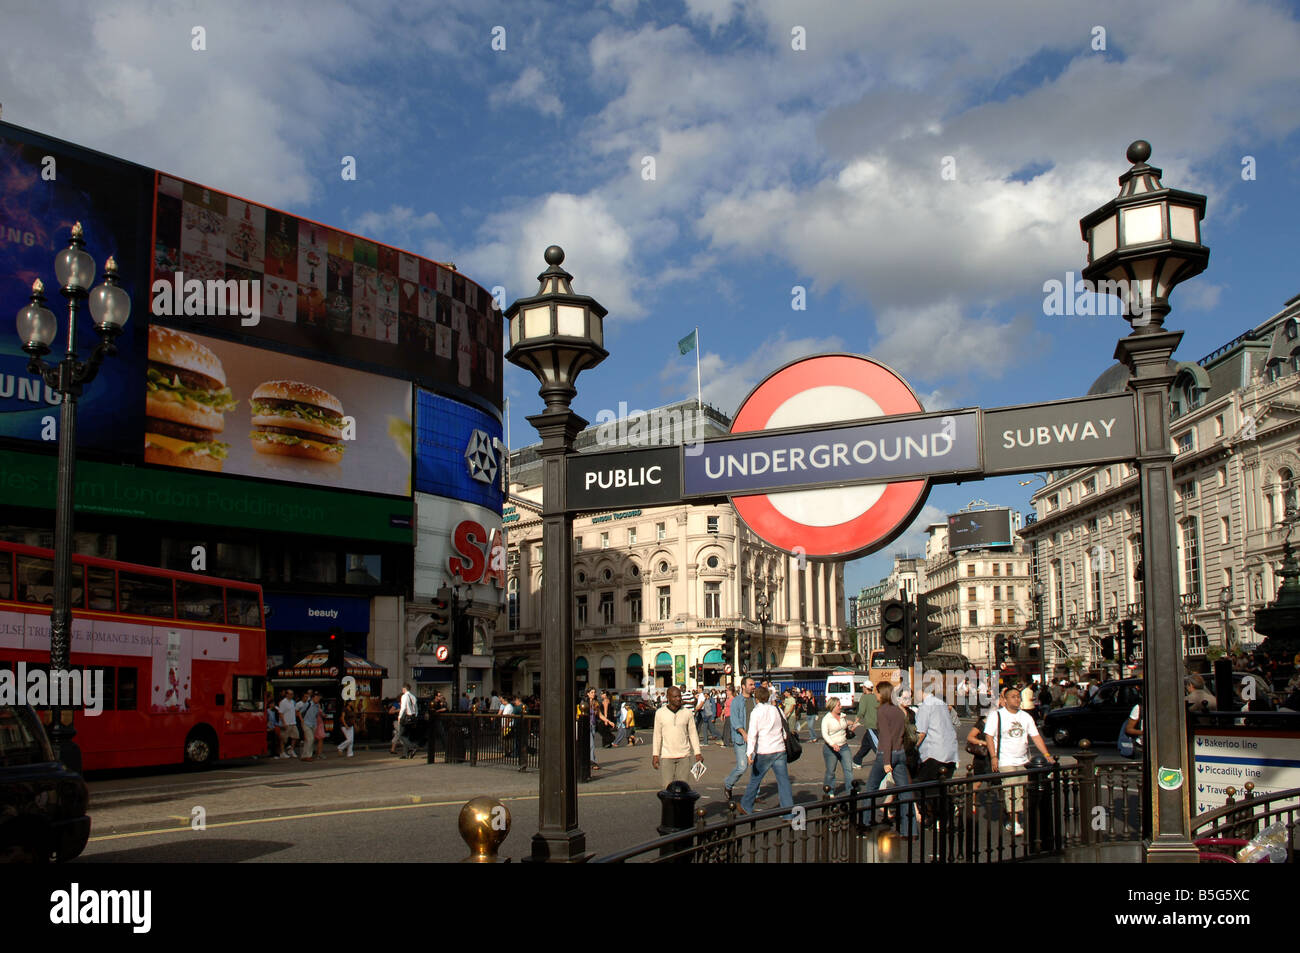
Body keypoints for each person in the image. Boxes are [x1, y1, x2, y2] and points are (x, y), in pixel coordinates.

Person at [986, 687, 1056, 836]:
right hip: (1006, 760)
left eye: (1018, 696)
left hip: (1023, 760)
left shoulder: (1025, 717)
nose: (1017, 699)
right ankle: (1015, 822)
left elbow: (1036, 736)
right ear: (1004, 700)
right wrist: (993, 757)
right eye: (1013, 696)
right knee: (1012, 790)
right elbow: (989, 737)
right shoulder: (996, 716)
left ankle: (1011, 814)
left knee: (1022, 790)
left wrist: (1047, 754)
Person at [862, 682, 913, 833]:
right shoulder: (898, 711)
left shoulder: (882, 711)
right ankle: (909, 829)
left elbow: (885, 737)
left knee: (871, 787)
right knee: (905, 792)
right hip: (900, 752)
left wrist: (886, 761)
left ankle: (866, 823)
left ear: (882, 694)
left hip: (887, 754)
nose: (875, 695)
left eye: (877, 693)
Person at [739, 686, 795, 817]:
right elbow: (784, 728)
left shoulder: (756, 712)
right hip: (779, 749)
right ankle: (787, 813)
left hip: (764, 750)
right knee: (784, 781)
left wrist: (749, 752)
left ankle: (746, 806)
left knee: (755, 780)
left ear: (756, 698)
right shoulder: (777, 709)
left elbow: (753, 734)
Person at [914, 686, 959, 827]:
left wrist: (913, 748)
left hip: (934, 752)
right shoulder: (941, 703)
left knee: (922, 785)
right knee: (941, 786)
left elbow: (921, 732)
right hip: (949, 751)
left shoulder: (926, 706)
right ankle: (944, 815)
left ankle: (937, 815)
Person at [652, 686, 703, 788]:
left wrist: (697, 753)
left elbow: (693, 733)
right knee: (667, 789)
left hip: (684, 756)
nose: (678, 699)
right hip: (667, 756)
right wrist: (655, 755)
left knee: (683, 789)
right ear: (668, 698)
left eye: (679, 696)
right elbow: (657, 735)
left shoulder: (687, 713)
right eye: (675, 697)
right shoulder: (660, 713)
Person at [724, 677, 757, 800]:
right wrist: (743, 733)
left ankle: (755, 793)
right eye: (751, 684)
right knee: (742, 767)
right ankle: (728, 784)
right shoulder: (737, 701)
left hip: (754, 739)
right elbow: (735, 720)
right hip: (741, 739)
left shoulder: (755, 701)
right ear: (743, 686)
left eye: (754, 684)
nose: (753, 686)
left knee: (756, 767)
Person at [820, 697, 855, 794]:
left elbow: (844, 725)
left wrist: (851, 724)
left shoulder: (843, 716)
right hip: (831, 749)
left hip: (844, 747)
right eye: (838, 705)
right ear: (833, 706)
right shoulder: (826, 719)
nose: (841, 706)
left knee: (849, 769)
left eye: (840, 704)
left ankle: (851, 790)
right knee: (831, 771)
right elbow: (825, 734)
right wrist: (832, 744)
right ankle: (829, 791)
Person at [852, 680, 880, 766]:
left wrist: (855, 723)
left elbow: (861, 712)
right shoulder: (875, 697)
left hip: (871, 725)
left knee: (877, 745)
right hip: (877, 724)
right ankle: (856, 760)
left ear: (865, 688)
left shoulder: (864, 697)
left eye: (863, 687)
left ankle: (884, 762)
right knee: (866, 744)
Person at [397, 683, 421, 758]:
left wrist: (399, 717)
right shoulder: (413, 696)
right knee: (407, 735)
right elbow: (416, 708)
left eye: (402, 689)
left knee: (401, 735)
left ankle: (413, 747)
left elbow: (403, 707)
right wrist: (415, 716)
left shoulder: (404, 696)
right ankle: (405, 754)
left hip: (406, 717)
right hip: (412, 717)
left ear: (404, 689)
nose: (402, 690)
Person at [277, 689, 299, 758]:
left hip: (293, 722)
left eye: (292, 694)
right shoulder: (283, 702)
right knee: (283, 739)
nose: (291, 695)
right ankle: (282, 752)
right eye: (290, 694)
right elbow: (280, 713)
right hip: (286, 723)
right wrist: (284, 722)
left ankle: (291, 750)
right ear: (286, 694)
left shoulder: (292, 702)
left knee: (295, 736)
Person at [299, 691, 320, 762]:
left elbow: (316, 714)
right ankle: (308, 755)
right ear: (313, 698)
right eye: (316, 698)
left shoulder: (317, 705)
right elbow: (299, 712)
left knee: (309, 740)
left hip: (313, 723)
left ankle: (304, 755)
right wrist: (302, 720)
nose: (317, 699)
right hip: (306, 723)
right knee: (310, 739)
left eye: (318, 698)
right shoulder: (308, 704)